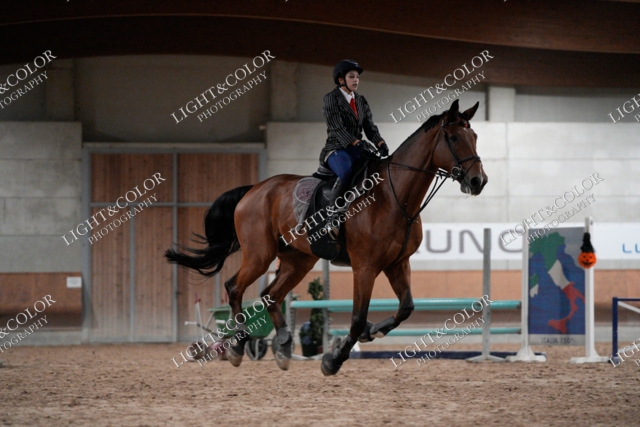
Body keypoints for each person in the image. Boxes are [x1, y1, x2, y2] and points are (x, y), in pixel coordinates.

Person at [319, 59, 389, 239]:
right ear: (340, 79)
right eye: (351, 76)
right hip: (336, 148)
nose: (356, 80)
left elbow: (369, 127)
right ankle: (332, 218)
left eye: (357, 76)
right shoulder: (331, 98)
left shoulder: (361, 100)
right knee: (346, 171)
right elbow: (336, 127)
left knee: (378, 170)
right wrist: (355, 142)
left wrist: (380, 142)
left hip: (357, 148)